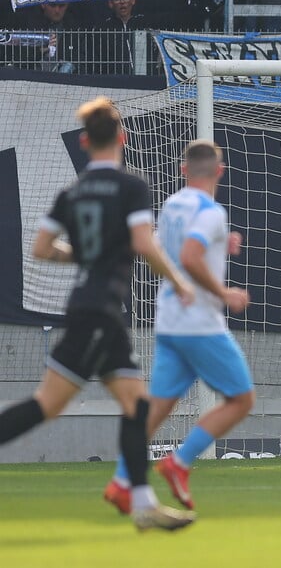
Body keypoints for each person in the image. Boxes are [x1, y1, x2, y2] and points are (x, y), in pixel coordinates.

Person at [0, 97, 196, 531]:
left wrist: (86, 254)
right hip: (101, 311)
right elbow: (144, 245)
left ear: (85, 142)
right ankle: (143, 504)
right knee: (49, 405)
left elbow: (41, 250)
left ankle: (143, 505)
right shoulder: (132, 186)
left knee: (134, 404)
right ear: (123, 138)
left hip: (88, 306)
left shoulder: (72, 192)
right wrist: (182, 285)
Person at [103, 139, 254, 515]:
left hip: (168, 320)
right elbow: (189, 255)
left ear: (184, 171)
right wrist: (224, 292)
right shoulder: (211, 211)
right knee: (241, 399)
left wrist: (221, 245)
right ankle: (180, 461)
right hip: (199, 323)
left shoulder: (172, 204)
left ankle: (123, 481)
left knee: (157, 408)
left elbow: (165, 246)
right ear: (220, 171)